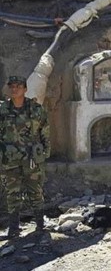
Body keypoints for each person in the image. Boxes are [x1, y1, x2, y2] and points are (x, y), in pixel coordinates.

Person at [0, 76, 50, 238]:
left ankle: (40, 226)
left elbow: (45, 132)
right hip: (9, 159)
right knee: (12, 192)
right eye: (12, 86)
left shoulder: (36, 109)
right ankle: (14, 228)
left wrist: (44, 154)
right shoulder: (2, 110)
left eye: (18, 86)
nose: (15, 89)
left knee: (35, 191)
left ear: (25, 88)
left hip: (31, 158)